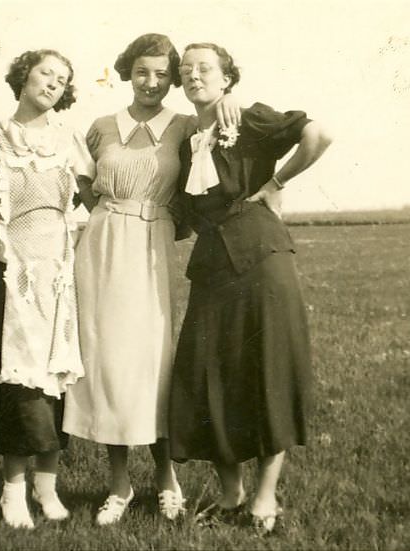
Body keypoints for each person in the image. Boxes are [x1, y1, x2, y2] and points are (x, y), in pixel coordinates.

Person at [62, 33, 239, 525]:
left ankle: (166, 478)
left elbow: (219, 129)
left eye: (164, 74)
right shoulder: (101, 127)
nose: (152, 82)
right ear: (127, 71)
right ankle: (118, 485)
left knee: (153, 363)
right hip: (101, 247)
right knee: (107, 362)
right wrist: (103, 214)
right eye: (143, 71)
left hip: (151, 247)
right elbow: (79, 181)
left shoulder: (183, 125)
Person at [167, 42, 332, 533]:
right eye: (186, 69)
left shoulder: (249, 116)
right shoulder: (185, 140)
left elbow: (318, 135)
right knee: (209, 375)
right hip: (213, 268)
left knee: (268, 373)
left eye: (205, 68)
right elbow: (182, 214)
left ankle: (264, 497)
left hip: (262, 261)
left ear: (226, 79)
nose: (194, 75)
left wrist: (277, 181)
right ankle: (230, 493)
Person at [0, 49, 94, 530]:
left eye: (61, 79)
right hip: (10, 268)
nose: (52, 83)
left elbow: (93, 196)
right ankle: (12, 492)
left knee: (58, 374)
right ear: (23, 76)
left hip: (60, 269)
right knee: (18, 377)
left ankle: (46, 486)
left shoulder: (71, 140)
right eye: (45, 72)